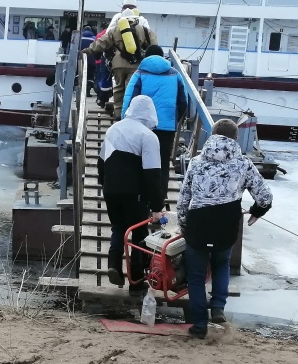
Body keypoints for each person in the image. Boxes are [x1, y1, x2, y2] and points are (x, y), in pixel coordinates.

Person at [177, 119, 273, 339]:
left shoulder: (196, 162)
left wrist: (184, 225)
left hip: (198, 223)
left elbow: (183, 200)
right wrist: (257, 212)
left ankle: (199, 325)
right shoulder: (243, 164)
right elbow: (265, 196)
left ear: (211, 136)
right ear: (235, 139)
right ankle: (218, 306)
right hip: (226, 223)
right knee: (222, 265)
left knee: (196, 276)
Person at [97, 95, 164, 295]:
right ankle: (136, 281)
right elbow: (152, 175)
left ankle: (114, 265)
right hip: (135, 194)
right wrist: (157, 207)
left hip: (111, 190)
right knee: (139, 235)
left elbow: (101, 163)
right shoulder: (148, 136)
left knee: (118, 227)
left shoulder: (113, 129)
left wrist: (105, 185)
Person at [121, 45, 187, 198]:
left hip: (142, 126)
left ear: (146, 57)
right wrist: (175, 120)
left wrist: (124, 120)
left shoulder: (139, 74)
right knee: (163, 163)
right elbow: (183, 102)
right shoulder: (175, 74)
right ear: (163, 57)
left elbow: (129, 99)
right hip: (167, 128)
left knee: (140, 160)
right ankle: (160, 198)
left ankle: (141, 197)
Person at [83, 0, 157, 119]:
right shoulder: (143, 29)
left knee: (118, 89)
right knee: (130, 89)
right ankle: (129, 115)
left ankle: (117, 113)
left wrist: (86, 51)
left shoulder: (115, 29)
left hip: (117, 64)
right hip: (135, 64)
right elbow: (154, 44)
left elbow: (101, 43)